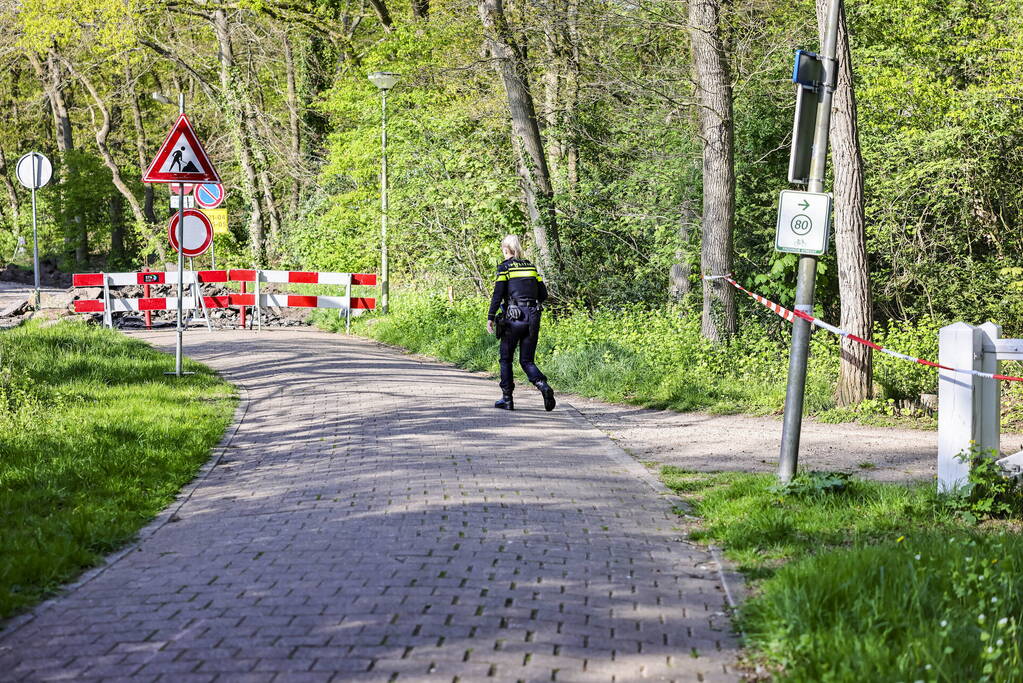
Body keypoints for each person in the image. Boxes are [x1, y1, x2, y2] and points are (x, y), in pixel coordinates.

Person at [486, 235, 556, 411]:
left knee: (506, 358)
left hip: (513, 317)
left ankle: (507, 399)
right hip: (533, 315)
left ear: (506, 249)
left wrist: (491, 316)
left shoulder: (504, 268)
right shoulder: (531, 267)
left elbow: (497, 294)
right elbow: (543, 295)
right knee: (527, 360)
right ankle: (542, 385)